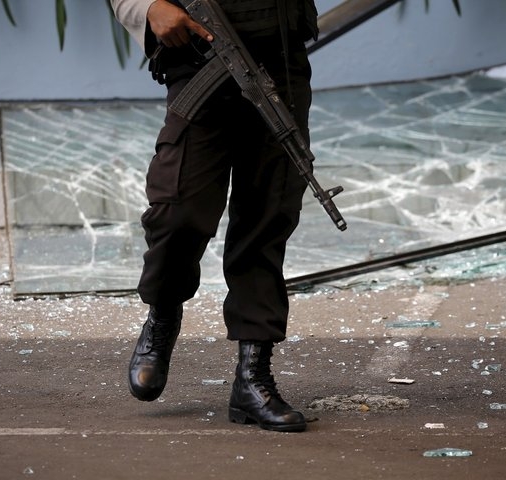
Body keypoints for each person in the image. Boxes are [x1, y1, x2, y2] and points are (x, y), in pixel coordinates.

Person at [110, 0, 319, 432]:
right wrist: (146, 6)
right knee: (178, 210)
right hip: (196, 52)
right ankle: (164, 312)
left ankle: (252, 379)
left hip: (279, 54)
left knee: (267, 218)